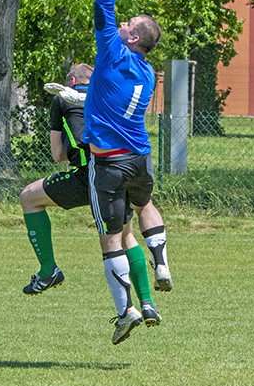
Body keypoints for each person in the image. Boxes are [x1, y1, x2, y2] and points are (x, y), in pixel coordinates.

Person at [21, 64, 162, 327]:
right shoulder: (110, 95)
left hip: (90, 176)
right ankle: (148, 304)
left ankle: (48, 270)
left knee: (29, 197)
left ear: (71, 81)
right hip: (122, 170)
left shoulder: (60, 99)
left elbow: (58, 155)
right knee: (126, 236)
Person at [85, 0, 171, 345]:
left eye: (128, 24)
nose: (120, 23)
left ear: (132, 38)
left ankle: (125, 311)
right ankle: (161, 262)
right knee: (146, 205)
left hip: (109, 164)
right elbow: (108, 96)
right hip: (140, 158)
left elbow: (104, 8)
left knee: (110, 240)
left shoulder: (113, 50)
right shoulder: (145, 73)